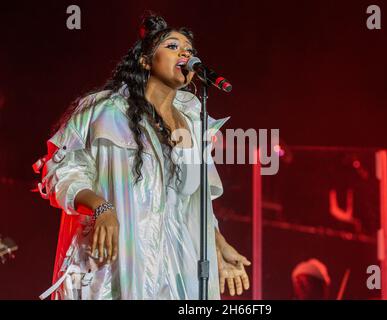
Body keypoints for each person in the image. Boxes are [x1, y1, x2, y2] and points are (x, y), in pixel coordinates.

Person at [33, 12, 251, 300]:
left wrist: (218, 246)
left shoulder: (193, 122)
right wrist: (102, 207)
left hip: (174, 270)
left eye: (189, 50)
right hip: (116, 263)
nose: (185, 53)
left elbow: (195, 202)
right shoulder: (108, 111)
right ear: (145, 61)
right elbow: (63, 171)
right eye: (173, 46)